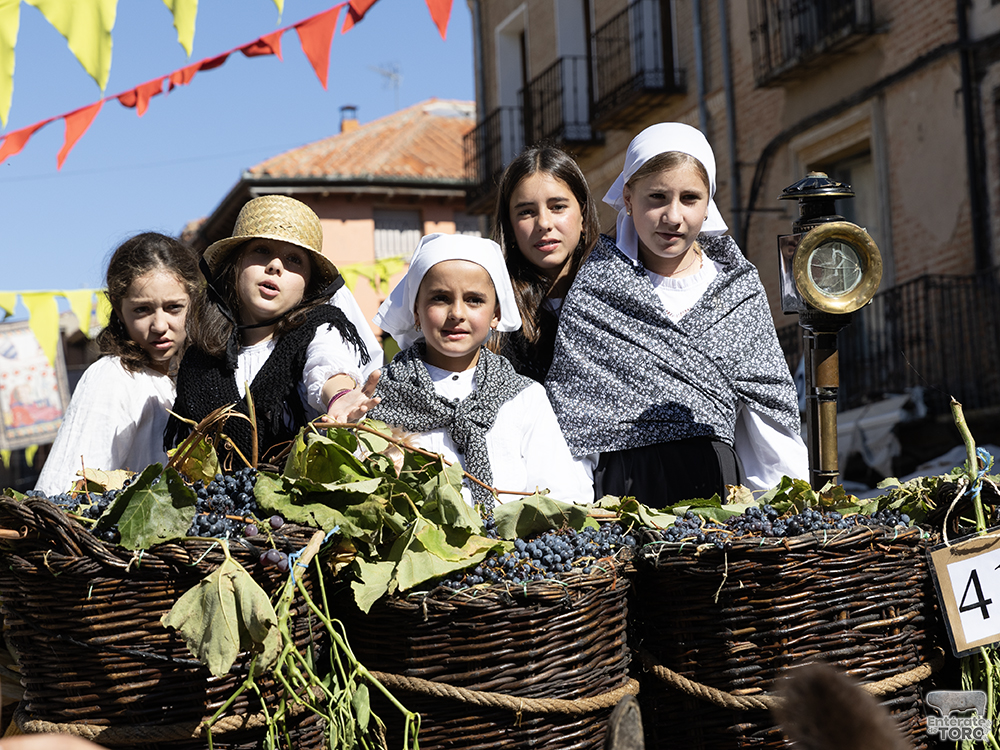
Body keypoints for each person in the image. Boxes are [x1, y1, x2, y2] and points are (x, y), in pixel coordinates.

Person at [546, 122, 807, 507]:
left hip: (718, 489)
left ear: (708, 205)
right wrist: (574, 516)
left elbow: (767, 417)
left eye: (689, 198)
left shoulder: (737, 290)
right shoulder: (595, 292)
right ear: (629, 198)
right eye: (657, 197)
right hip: (625, 495)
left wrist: (788, 508)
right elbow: (574, 423)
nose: (673, 215)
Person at [369, 233, 593, 526]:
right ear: (416, 311)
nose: (457, 314)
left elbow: (558, 492)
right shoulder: (382, 395)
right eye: (440, 298)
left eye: (474, 300)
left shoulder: (523, 397)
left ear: (496, 314)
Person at [166, 195, 380, 465]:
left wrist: (339, 396)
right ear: (235, 265)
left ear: (307, 284)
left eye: (294, 260)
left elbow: (327, 365)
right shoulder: (199, 360)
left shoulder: (319, 330)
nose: (275, 266)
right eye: (262, 251)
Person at [35, 233, 201, 496]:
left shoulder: (189, 380)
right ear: (118, 307)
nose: (159, 326)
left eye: (173, 308)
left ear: (194, 302)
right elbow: (67, 491)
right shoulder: (113, 377)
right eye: (142, 310)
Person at [487, 145, 601, 381]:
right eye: (526, 212)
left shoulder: (617, 292)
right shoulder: (491, 308)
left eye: (558, 207)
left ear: (583, 215)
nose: (544, 223)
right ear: (509, 226)